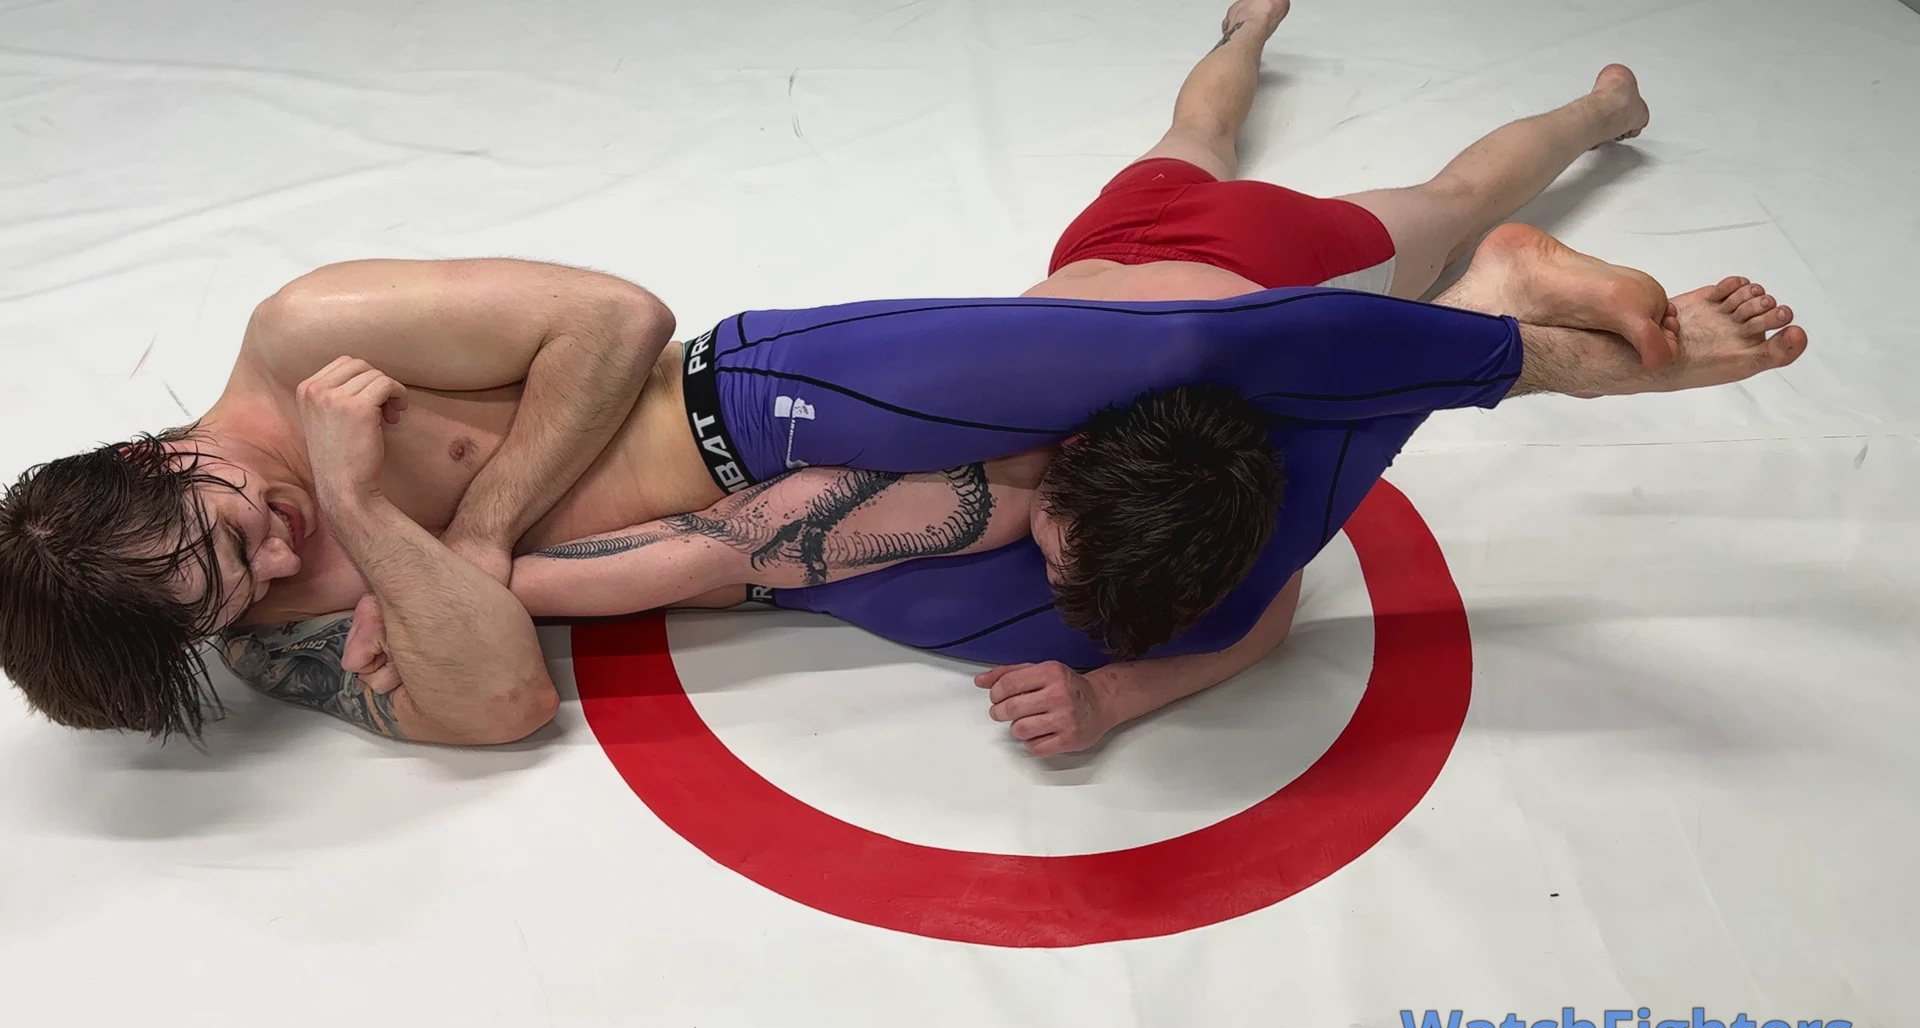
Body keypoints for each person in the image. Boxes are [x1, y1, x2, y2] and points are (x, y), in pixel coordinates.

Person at [0, 0, 1803, 754]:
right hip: (813, 542)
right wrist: (400, 526)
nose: (276, 558)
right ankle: (1476, 279)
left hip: (764, 405)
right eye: (231, 593)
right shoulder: (268, 611)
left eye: (231, 524)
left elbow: (614, 321)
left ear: (159, 452)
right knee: (1164, 594)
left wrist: (454, 537)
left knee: (1195, 318)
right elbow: (496, 712)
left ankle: (1529, 326)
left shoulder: (310, 334)